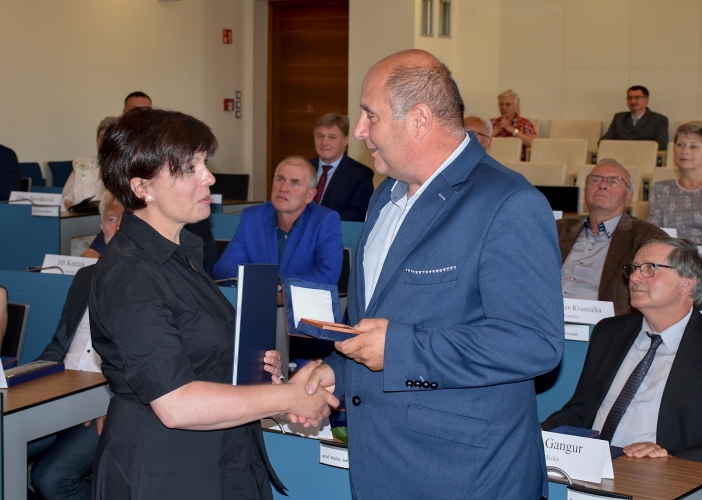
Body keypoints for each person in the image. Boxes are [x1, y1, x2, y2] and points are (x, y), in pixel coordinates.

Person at [294, 49, 564, 499]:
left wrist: (400, 348)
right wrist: (335, 370)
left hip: (465, 476)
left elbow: (534, 342)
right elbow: (376, 324)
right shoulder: (384, 197)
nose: (359, 130)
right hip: (381, 464)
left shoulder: (508, 203)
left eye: (370, 115)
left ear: (419, 119)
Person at [89, 108, 338, 499]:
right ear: (142, 187)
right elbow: (176, 404)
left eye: (204, 163)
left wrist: (255, 373)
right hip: (164, 473)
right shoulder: (131, 274)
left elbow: (199, 355)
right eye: (190, 168)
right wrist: (288, 396)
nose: (209, 177)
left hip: (219, 459)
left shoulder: (181, 254)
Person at [542, 237, 702, 462]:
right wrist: (536, 435)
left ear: (687, 282)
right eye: (633, 268)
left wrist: (669, 455)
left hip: (658, 471)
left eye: (650, 268)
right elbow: (581, 410)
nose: (634, 277)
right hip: (589, 462)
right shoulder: (609, 332)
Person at [559, 159, 667, 315]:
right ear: (585, 191)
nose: (602, 185)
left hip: (602, 322)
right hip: (543, 316)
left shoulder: (647, 236)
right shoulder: (558, 229)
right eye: (595, 180)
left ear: (629, 197)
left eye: (613, 181)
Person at [30, 265, 102, 500]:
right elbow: (59, 344)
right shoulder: (86, 275)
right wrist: (29, 377)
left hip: (103, 399)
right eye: (111, 223)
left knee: (49, 478)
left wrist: (115, 398)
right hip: (60, 390)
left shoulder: (147, 277)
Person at [213, 156, 343, 285]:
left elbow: (328, 276)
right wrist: (259, 280)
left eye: (294, 183)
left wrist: (275, 281)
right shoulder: (252, 217)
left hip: (300, 299)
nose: (283, 188)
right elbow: (224, 267)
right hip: (257, 297)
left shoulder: (325, 220)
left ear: (310, 195)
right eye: (280, 179)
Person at [309, 112, 374, 222]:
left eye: (331, 137)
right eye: (320, 136)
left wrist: (321, 223)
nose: (324, 142)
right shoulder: (303, 168)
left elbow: (358, 214)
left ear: (345, 141)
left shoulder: (360, 175)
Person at [649, 121, 702, 241]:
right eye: (680, 145)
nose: (684, 151)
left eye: (693, 147)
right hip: (671, 251)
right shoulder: (661, 190)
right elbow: (654, 234)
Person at [62, 117, 116, 210]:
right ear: (96, 141)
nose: (104, 143)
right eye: (101, 138)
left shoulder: (125, 168)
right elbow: (67, 198)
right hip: (79, 216)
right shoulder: (81, 164)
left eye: (108, 139)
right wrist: (73, 214)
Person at [601, 85, 668, 151]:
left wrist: (632, 148)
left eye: (637, 98)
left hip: (645, 156)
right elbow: (603, 142)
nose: (633, 101)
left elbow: (661, 145)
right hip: (619, 155)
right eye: (630, 98)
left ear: (647, 100)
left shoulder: (659, 120)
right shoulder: (619, 118)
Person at [490, 89, 537, 160]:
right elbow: (477, 142)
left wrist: (512, 130)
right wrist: (497, 130)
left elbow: (533, 143)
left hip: (516, 162)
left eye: (508, 104)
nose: (503, 108)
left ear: (516, 106)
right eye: (501, 104)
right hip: (493, 160)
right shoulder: (491, 122)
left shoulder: (525, 123)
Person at [81, 192, 124, 259]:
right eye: (112, 220)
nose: (118, 227)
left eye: (125, 220)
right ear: (102, 226)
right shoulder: (109, 235)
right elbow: (87, 255)